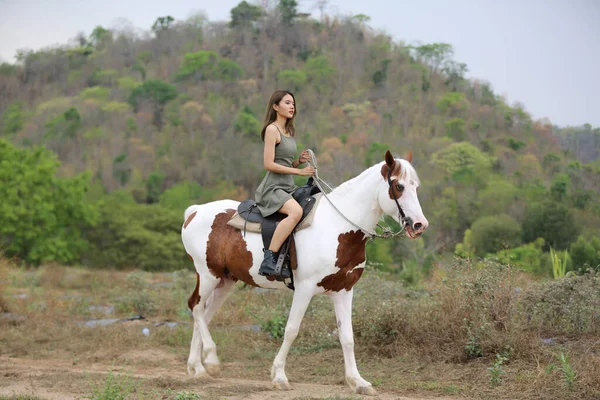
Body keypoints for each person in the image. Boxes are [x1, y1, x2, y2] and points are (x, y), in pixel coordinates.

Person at [255, 90, 316, 280]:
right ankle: (269, 258)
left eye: (293, 104)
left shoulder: (289, 131)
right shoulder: (272, 129)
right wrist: (299, 172)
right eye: (288, 103)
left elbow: (285, 163)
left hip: (287, 186)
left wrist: (298, 161)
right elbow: (269, 164)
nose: (292, 107)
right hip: (273, 188)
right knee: (296, 212)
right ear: (275, 106)